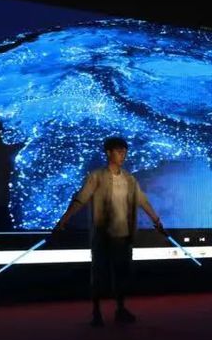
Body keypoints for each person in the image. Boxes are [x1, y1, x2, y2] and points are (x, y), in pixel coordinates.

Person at [55, 137, 163, 326]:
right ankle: (96, 313)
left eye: (124, 152)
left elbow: (142, 200)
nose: (123, 155)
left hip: (124, 235)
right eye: (119, 151)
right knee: (99, 274)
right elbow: (81, 198)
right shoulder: (96, 176)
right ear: (108, 153)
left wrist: (156, 220)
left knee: (121, 274)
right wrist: (64, 220)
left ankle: (120, 309)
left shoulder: (129, 179)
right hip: (103, 235)